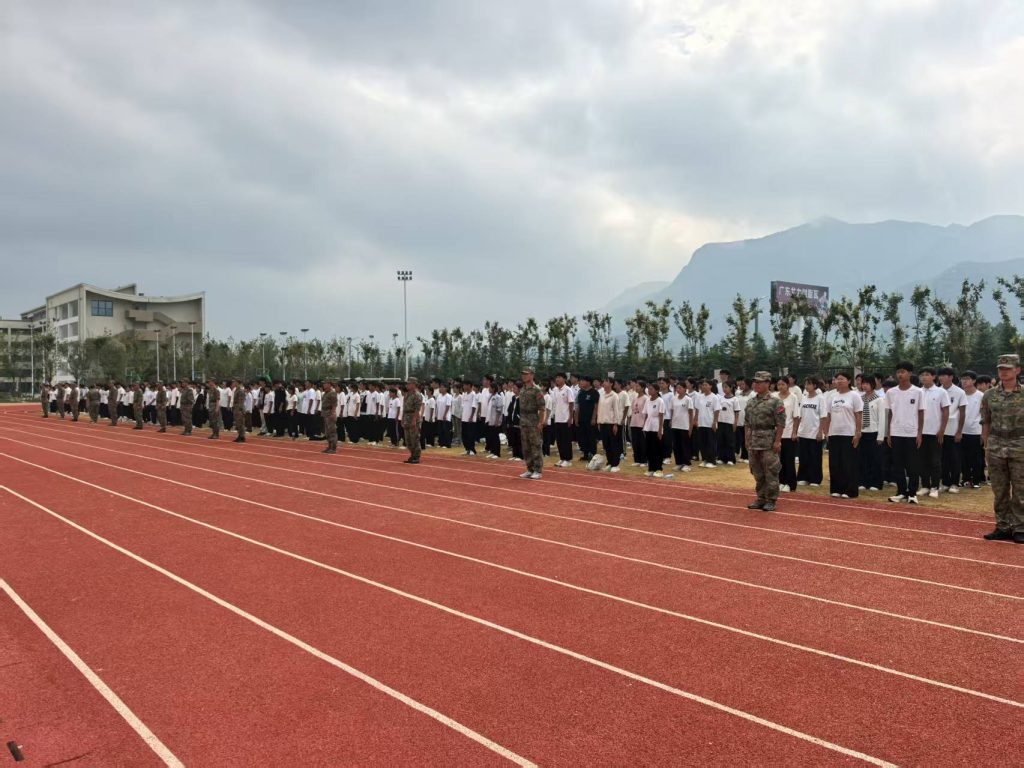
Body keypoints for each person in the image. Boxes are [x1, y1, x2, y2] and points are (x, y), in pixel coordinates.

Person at [981, 354, 1024, 542]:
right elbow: (986, 422)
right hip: (996, 447)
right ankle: (1003, 526)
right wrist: (986, 446)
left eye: (1008, 369)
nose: (1003, 372)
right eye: (1001, 369)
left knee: (1021, 490)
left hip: (1020, 447)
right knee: (999, 490)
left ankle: (1020, 527)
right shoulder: (989, 395)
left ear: (1017, 370)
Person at [744, 371, 785, 512]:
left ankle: (771, 500)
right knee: (757, 472)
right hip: (754, 441)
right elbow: (747, 423)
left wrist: (777, 441)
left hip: (768, 441)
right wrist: (746, 440)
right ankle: (760, 498)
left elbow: (780, 423)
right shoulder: (751, 401)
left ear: (768, 383)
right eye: (755, 382)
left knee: (771, 472)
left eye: (760, 382)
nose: (756, 384)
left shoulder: (775, 401)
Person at [886, 362, 924, 504]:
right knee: (898, 464)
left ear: (910, 373)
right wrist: (889, 433)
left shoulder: (918, 392)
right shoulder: (891, 392)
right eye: (898, 372)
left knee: (913, 465)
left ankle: (912, 493)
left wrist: (919, 433)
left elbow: (921, 413)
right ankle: (901, 491)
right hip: (896, 432)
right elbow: (890, 413)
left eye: (903, 372)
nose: (900, 374)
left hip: (912, 433)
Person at [821, 372, 863, 499]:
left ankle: (850, 490)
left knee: (848, 463)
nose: (838, 381)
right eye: (837, 379)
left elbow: (858, 415)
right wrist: (826, 432)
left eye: (842, 379)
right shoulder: (832, 397)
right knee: (835, 463)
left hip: (848, 433)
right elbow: (828, 416)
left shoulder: (854, 396)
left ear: (849, 381)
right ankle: (836, 488)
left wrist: (858, 433)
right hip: (834, 433)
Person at [918, 367, 950, 498]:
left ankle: (935, 487)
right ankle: (925, 485)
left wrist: (942, 430)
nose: (924, 377)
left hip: (935, 432)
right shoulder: (918, 392)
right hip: (920, 432)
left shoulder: (941, 392)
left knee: (935, 461)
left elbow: (946, 411)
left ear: (933, 377)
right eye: (922, 375)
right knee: (922, 460)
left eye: (927, 374)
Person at [938, 366, 966, 493]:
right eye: (940, 375)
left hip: (953, 429)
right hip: (940, 430)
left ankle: (954, 483)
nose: (941, 378)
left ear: (951, 377)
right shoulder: (937, 391)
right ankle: (945, 482)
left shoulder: (959, 392)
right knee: (942, 458)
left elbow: (962, 413)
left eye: (944, 375)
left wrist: (959, 431)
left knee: (955, 457)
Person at [518, 367, 546, 479]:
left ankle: (538, 470)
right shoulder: (522, 389)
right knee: (526, 447)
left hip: (533, 421)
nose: (524, 376)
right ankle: (530, 469)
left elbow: (542, 408)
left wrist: (541, 422)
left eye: (526, 374)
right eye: (523, 374)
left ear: (532, 375)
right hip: (523, 421)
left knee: (535, 446)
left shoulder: (536, 390)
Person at [796, 377, 825, 487]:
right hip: (803, 432)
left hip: (815, 433)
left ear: (815, 385)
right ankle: (803, 477)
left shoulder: (820, 398)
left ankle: (815, 479)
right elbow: (800, 416)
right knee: (803, 456)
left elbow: (823, 416)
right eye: (805, 384)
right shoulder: (804, 398)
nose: (806, 386)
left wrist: (820, 432)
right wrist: (797, 431)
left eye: (809, 384)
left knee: (815, 457)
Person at [858, 377, 885, 492]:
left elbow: (882, 418)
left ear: (873, 385)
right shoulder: (860, 399)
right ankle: (863, 481)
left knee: (875, 459)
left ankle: (876, 483)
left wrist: (880, 436)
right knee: (862, 458)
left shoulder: (879, 400)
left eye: (867, 384)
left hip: (874, 433)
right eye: (863, 383)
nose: (864, 386)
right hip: (862, 433)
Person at [960, 371, 985, 488]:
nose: (964, 381)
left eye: (967, 378)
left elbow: (984, 414)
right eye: (963, 378)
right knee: (963, 457)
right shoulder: (960, 394)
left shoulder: (980, 396)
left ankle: (976, 480)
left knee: (976, 457)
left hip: (975, 430)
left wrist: (983, 433)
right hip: (960, 430)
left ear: (974, 381)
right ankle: (966, 478)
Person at [597, 377, 626, 473]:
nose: (604, 383)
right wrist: (599, 421)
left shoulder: (614, 396)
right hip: (603, 423)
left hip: (611, 423)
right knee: (606, 445)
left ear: (611, 384)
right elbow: (600, 409)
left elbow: (616, 411)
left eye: (606, 381)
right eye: (604, 381)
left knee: (614, 444)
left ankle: (615, 464)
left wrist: (616, 424)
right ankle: (609, 463)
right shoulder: (601, 395)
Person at [642, 382, 666, 477]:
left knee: (657, 449)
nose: (649, 390)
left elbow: (661, 416)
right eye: (649, 389)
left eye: (651, 389)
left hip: (656, 427)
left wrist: (660, 430)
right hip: (648, 426)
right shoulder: (648, 400)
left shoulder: (660, 401)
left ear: (657, 390)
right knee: (649, 448)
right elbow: (646, 414)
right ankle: (651, 468)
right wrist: (644, 426)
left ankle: (659, 469)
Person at [669, 381, 694, 472]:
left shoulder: (688, 399)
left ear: (685, 389)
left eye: (680, 388)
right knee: (676, 446)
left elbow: (691, 414)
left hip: (684, 426)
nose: (678, 390)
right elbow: (672, 411)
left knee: (685, 445)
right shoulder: (673, 399)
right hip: (675, 425)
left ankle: (686, 464)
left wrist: (690, 426)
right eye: (677, 388)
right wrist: (671, 420)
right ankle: (679, 463)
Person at [551, 373, 575, 467]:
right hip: (557, 418)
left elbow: (571, 404)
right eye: (556, 377)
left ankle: (568, 460)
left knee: (566, 440)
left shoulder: (568, 389)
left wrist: (570, 418)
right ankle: (562, 458)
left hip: (565, 419)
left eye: (559, 377)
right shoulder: (555, 390)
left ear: (564, 379)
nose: (557, 379)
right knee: (559, 440)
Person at [575, 377, 599, 462]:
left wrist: (593, 418)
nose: (581, 382)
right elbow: (578, 406)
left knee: (591, 437)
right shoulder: (581, 392)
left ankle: (592, 454)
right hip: (582, 418)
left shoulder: (594, 392)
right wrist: (576, 418)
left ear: (588, 382)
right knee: (583, 437)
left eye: (583, 381)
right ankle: (585, 454)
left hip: (590, 419)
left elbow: (596, 406)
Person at [402, 377, 424, 464]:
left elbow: (417, 409)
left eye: (409, 383)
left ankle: (416, 456)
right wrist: (402, 418)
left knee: (414, 438)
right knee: (408, 439)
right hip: (406, 417)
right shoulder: (407, 394)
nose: (407, 385)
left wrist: (414, 420)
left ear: (414, 384)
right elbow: (404, 408)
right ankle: (412, 454)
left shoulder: (417, 395)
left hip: (413, 417)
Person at [321, 381, 339, 454]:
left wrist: (333, 413)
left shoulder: (332, 393)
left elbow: (334, 405)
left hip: (329, 413)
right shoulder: (325, 393)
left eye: (325, 384)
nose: (324, 386)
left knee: (332, 431)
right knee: (327, 432)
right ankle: (329, 446)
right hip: (325, 413)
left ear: (329, 385)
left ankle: (333, 448)